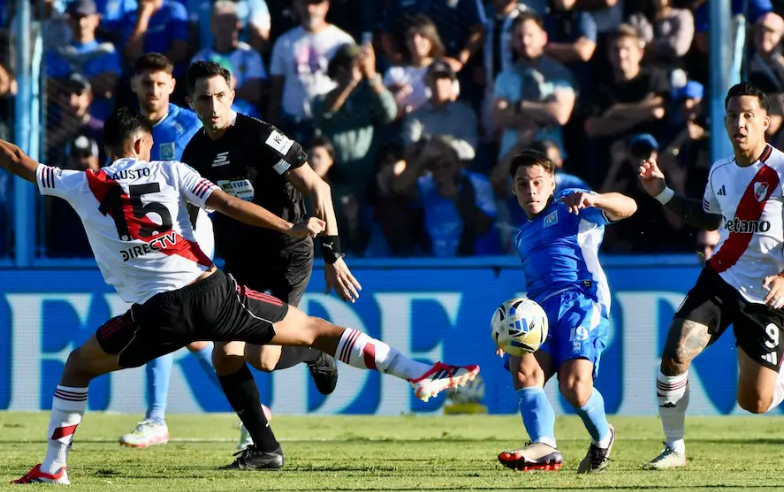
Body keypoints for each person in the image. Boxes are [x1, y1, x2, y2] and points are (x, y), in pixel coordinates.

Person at [7, 107, 480, 485]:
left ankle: (54, 466)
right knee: (317, 331)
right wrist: (290, 226)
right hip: (212, 292)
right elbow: (230, 204)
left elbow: (18, 161)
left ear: (110, 148)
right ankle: (420, 372)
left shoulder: (81, 183)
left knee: (78, 367)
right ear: (140, 144)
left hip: (157, 315)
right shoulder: (172, 171)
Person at [180, 60, 360, 463]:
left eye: (220, 96)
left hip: (286, 253)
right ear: (190, 102)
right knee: (224, 354)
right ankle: (265, 448)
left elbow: (318, 188)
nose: (213, 106)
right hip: (239, 258)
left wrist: (333, 255)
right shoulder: (194, 153)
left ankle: (314, 351)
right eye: (204, 98)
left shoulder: (261, 137)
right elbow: (188, 217)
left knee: (263, 358)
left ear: (233, 95)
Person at [638, 82, 784, 470]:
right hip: (721, 279)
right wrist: (662, 193)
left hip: (767, 294)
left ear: (766, 122)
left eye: (748, 115)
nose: (740, 123)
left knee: (754, 403)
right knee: (674, 354)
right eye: (733, 116)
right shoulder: (721, 171)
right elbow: (709, 218)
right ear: (724, 122)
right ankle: (674, 448)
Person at [497, 149, 637, 474]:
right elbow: (536, 286)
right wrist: (511, 331)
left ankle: (602, 436)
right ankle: (543, 445)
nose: (531, 190)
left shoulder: (571, 207)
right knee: (523, 368)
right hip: (539, 312)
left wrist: (595, 198)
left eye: (537, 182)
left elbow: (629, 207)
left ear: (551, 183)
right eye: (522, 184)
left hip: (581, 302)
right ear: (513, 189)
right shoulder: (521, 236)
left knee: (574, 387)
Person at [118, 52, 219, 448]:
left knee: (161, 312)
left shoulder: (190, 125)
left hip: (190, 232)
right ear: (134, 85)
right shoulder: (127, 128)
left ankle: (156, 419)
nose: (154, 90)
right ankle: (253, 408)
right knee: (191, 334)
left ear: (173, 86)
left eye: (161, 83)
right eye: (147, 83)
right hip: (149, 239)